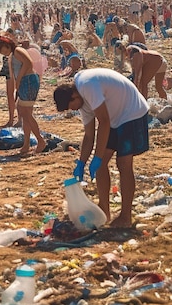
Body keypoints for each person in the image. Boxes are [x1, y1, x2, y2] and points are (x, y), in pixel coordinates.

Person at [53, 68, 150, 228]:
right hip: (113, 118)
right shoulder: (82, 102)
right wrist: (81, 163)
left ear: (74, 96)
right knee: (101, 165)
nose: (74, 110)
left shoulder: (87, 86)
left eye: (71, 106)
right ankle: (104, 209)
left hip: (131, 112)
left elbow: (103, 122)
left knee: (123, 164)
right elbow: (89, 136)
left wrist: (97, 157)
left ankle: (126, 216)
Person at [0, 34, 45, 154]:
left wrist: (19, 80)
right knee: (23, 113)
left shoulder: (17, 51)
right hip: (25, 82)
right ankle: (26, 144)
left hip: (29, 81)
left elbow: (28, 63)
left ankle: (40, 140)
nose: (1, 52)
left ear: (6, 45)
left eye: (1, 49)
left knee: (26, 113)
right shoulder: (11, 56)